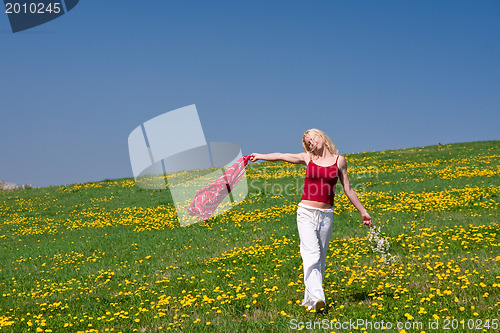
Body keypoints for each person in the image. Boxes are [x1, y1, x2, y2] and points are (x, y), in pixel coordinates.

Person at [250, 128, 372, 313]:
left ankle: (310, 301)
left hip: (326, 215)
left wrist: (363, 212)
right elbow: (282, 156)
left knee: (320, 261)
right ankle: (319, 299)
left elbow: (348, 188)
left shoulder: (339, 161)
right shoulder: (308, 158)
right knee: (311, 255)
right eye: (307, 142)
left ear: (321, 137)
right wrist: (260, 156)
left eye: (312, 139)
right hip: (306, 212)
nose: (310, 143)